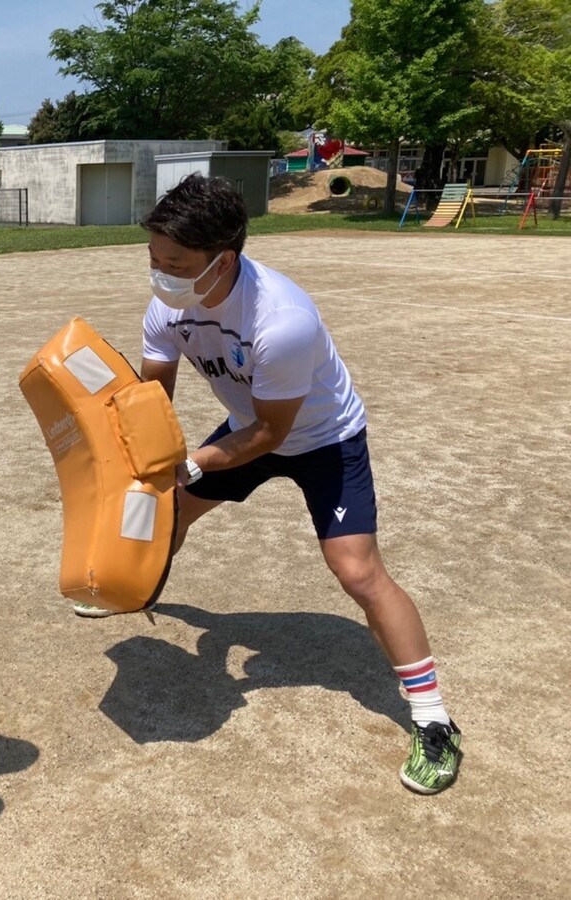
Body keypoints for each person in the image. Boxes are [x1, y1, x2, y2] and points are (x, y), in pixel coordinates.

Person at [75, 174, 462, 796]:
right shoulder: (168, 306)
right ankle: (133, 585)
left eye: (175, 263)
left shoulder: (281, 321)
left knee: (357, 571)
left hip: (321, 438)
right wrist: (138, 457)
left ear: (222, 260)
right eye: (153, 258)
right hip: (249, 423)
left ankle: (434, 719)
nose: (161, 273)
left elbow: (269, 436)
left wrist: (192, 464)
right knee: (164, 512)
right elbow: (152, 400)